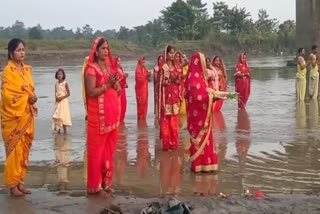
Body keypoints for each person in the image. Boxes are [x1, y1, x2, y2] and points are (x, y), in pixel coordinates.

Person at [83, 37, 121, 194]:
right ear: (96, 51)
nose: (106, 51)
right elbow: (91, 92)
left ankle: (106, 183)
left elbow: (116, 90)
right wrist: (108, 85)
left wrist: (116, 84)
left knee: (109, 152)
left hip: (112, 118)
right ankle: (95, 187)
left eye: (107, 48)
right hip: (98, 120)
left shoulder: (108, 68)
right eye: (103, 48)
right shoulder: (91, 69)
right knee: (96, 153)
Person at [1, 38, 38, 196]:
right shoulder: (7, 73)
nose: (22, 52)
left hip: (26, 116)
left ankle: (20, 181)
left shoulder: (27, 70)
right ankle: (12, 185)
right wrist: (27, 98)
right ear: (11, 53)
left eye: (23, 49)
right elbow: (8, 97)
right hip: (13, 119)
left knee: (24, 150)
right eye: (18, 50)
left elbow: (29, 89)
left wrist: (33, 97)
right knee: (14, 151)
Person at [184, 52, 218, 173]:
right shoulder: (194, 78)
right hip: (199, 117)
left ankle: (207, 164)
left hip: (201, 116)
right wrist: (212, 96)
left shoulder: (196, 77)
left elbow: (203, 92)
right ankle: (200, 165)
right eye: (203, 62)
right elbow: (197, 97)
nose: (204, 64)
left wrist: (211, 94)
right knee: (202, 140)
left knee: (207, 140)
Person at [159, 46, 181, 151]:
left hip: (175, 97)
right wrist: (167, 82)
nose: (172, 55)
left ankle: (174, 143)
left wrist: (176, 80)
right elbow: (160, 83)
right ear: (166, 54)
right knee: (166, 121)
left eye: (173, 53)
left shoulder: (176, 67)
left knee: (174, 121)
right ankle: (166, 144)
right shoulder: (163, 68)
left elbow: (178, 82)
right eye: (171, 53)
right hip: (166, 98)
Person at [52, 68, 72, 134]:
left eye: (61, 74)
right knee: (57, 115)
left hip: (63, 102)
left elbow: (69, 93)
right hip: (58, 102)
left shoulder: (65, 83)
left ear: (63, 75)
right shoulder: (56, 84)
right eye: (58, 74)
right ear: (56, 76)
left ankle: (65, 131)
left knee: (63, 116)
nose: (59, 75)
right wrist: (56, 102)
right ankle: (58, 131)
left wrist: (62, 98)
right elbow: (55, 93)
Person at [114, 57, 128, 123]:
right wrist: (123, 77)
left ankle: (122, 122)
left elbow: (123, 80)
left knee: (124, 105)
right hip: (118, 91)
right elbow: (115, 82)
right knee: (119, 107)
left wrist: (125, 82)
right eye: (118, 61)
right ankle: (118, 121)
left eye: (120, 61)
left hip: (123, 90)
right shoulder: (114, 71)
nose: (119, 63)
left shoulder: (120, 69)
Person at [135, 56, 149, 121]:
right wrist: (146, 76)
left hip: (145, 89)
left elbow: (147, 78)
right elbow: (139, 80)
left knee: (145, 103)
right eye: (142, 61)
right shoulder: (138, 69)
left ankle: (144, 118)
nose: (144, 62)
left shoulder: (145, 68)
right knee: (141, 103)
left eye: (144, 61)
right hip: (140, 90)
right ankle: (140, 118)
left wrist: (148, 76)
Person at [153, 55, 164, 125]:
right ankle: (157, 118)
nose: (161, 61)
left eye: (162, 60)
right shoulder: (156, 68)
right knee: (158, 101)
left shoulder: (165, 67)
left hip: (164, 87)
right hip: (158, 87)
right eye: (160, 60)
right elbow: (155, 78)